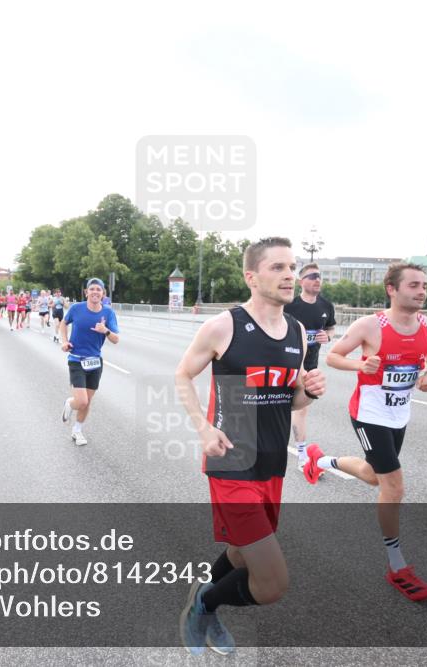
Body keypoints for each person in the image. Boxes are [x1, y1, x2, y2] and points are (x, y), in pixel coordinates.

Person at [174, 237, 326, 655]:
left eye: (292, 267)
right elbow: (182, 376)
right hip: (232, 460)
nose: (290, 275)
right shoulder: (225, 325)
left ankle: (203, 600)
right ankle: (203, 605)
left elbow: (289, 400)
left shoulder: (297, 331)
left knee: (240, 553)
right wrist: (203, 428)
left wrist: (309, 392)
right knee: (273, 583)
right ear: (251, 276)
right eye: (277, 267)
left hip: (272, 461)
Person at [303, 262, 427, 602]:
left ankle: (319, 461)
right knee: (393, 485)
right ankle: (398, 567)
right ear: (392, 289)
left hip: (399, 415)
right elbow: (334, 356)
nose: (421, 291)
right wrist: (359, 364)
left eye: (424, 285)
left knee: (371, 476)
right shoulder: (371, 325)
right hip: (369, 414)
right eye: (413, 285)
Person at [284, 263, 336, 474]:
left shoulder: (326, 306)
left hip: (309, 367)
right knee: (273, 408)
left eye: (319, 276)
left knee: (302, 409)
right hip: (285, 364)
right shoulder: (290, 306)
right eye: (312, 276)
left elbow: (331, 327)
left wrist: (328, 335)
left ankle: (302, 454)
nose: (317, 279)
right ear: (300, 281)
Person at [59, 278, 120, 446]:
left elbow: (116, 340)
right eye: (92, 289)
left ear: (103, 294)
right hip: (77, 360)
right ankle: (70, 403)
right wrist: (64, 341)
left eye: (98, 290)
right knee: (81, 401)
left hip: (95, 362)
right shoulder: (76, 308)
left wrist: (105, 330)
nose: (95, 292)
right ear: (86, 292)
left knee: (88, 402)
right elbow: (63, 324)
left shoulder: (108, 313)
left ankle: (77, 431)